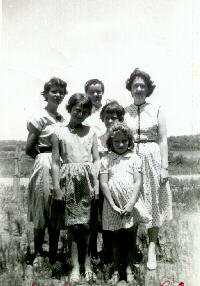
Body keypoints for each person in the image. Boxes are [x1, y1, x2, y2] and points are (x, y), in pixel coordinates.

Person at [125, 68, 172, 270]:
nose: (139, 88)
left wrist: (165, 167)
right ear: (130, 88)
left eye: (143, 85)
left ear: (148, 88)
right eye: (135, 85)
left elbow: (162, 140)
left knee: (153, 201)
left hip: (152, 157)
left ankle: (151, 249)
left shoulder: (157, 109)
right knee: (133, 201)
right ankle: (132, 247)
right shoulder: (125, 111)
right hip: (131, 160)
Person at [51, 93, 100, 284]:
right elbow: (55, 162)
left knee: (87, 225)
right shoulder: (59, 132)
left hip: (87, 181)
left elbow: (96, 160)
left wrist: (95, 183)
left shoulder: (91, 132)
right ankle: (75, 267)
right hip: (68, 181)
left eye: (84, 111)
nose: (80, 114)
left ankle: (87, 265)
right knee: (73, 226)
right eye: (77, 110)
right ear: (70, 109)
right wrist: (56, 187)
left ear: (88, 113)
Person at [100, 122, 150, 284]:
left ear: (129, 141)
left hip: (130, 203)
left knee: (130, 238)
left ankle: (128, 269)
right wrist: (113, 205)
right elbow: (104, 183)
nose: (121, 145)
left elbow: (137, 183)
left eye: (124, 141)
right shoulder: (106, 160)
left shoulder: (135, 159)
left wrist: (130, 204)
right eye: (116, 142)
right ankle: (115, 270)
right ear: (110, 142)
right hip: (112, 205)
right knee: (114, 239)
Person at [25, 77, 68, 265]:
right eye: (54, 91)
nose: (58, 95)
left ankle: (52, 253)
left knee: (57, 207)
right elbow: (29, 148)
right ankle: (38, 253)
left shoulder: (62, 119)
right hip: (43, 161)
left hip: (60, 164)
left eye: (61, 92)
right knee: (42, 206)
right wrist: (43, 160)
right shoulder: (39, 117)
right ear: (46, 94)